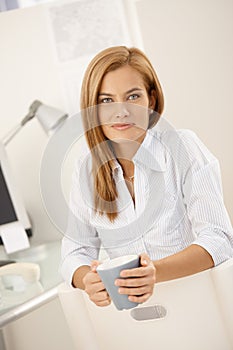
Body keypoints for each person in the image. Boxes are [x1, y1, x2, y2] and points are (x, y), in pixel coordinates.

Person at [61, 46, 233, 307]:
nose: (121, 111)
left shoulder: (182, 147)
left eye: (132, 96)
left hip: (199, 306)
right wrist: (87, 280)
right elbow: (75, 252)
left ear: (150, 100)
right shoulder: (87, 169)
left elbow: (219, 238)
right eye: (107, 100)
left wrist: (155, 272)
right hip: (134, 325)